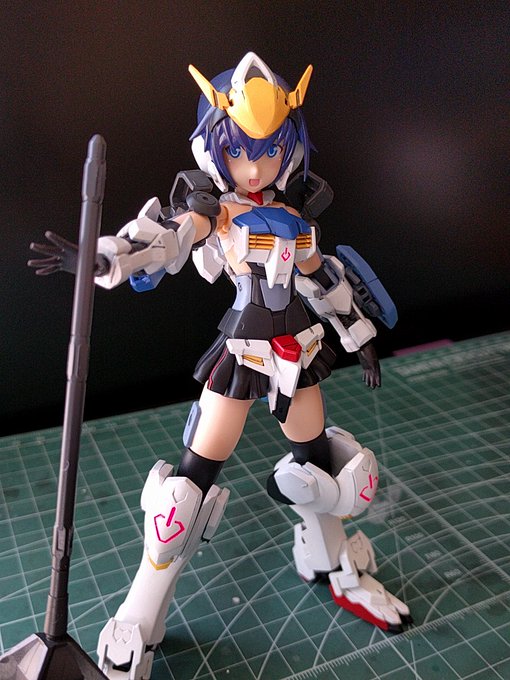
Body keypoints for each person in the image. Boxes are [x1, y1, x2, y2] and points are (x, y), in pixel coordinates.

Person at [30, 52, 411, 680]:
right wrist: (107, 258)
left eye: (269, 151)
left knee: (319, 466)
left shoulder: (296, 220)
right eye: (238, 152)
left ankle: (331, 564)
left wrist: (361, 336)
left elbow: (325, 281)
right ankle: (140, 614)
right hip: (241, 352)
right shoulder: (219, 213)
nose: (254, 168)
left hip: (298, 350)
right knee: (189, 485)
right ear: (216, 149)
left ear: (289, 148)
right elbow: (168, 238)